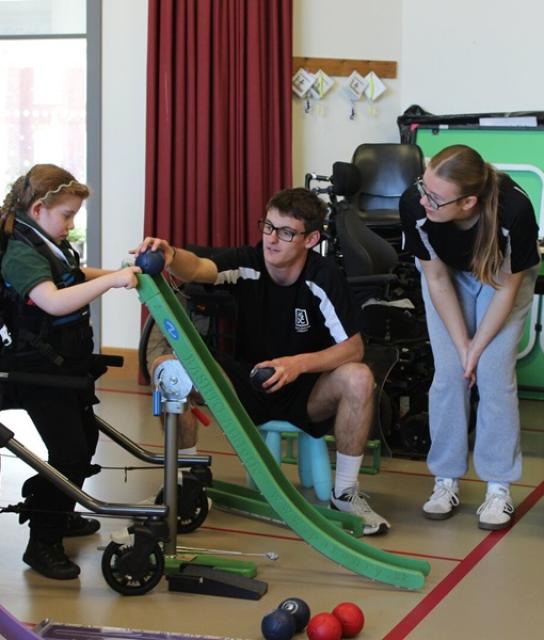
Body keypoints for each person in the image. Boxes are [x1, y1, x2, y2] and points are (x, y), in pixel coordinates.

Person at [138, 187, 389, 535]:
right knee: (170, 371)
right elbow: (198, 268)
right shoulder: (249, 262)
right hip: (247, 386)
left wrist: (297, 365)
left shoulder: (323, 277)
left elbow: (353, 348)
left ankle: (345, 494)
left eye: (286, 233)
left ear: (311, 239)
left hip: (306, 393)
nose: (272, 240)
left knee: (359, 376)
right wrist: (171, 253)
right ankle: (187, 484)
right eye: (268, 227)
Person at [0, 164, 140, 579]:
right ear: (40, 208)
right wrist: (114, 281)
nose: (71, 223)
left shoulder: (43, 239)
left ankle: (55, 506)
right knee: (70, 451)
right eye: (67, 215)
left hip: (60, 364)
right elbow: (54, 302)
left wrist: (121, 273)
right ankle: (43, 539)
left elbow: (72, 276)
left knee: (84, 440)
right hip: (32, 370)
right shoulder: (21, 251)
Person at [399, 145, 539, 530]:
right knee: (449, 375)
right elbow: (437, 278)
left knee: (493, 375)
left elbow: (508, 290)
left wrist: (478, 349)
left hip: (500, 279)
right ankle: (445, 480)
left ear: (468, 202)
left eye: (436, 197)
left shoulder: (515, 211)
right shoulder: (415, 205)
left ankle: (498, 487)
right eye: (423, 187)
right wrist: (462, 348)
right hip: (448, 277)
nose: (423, 199)